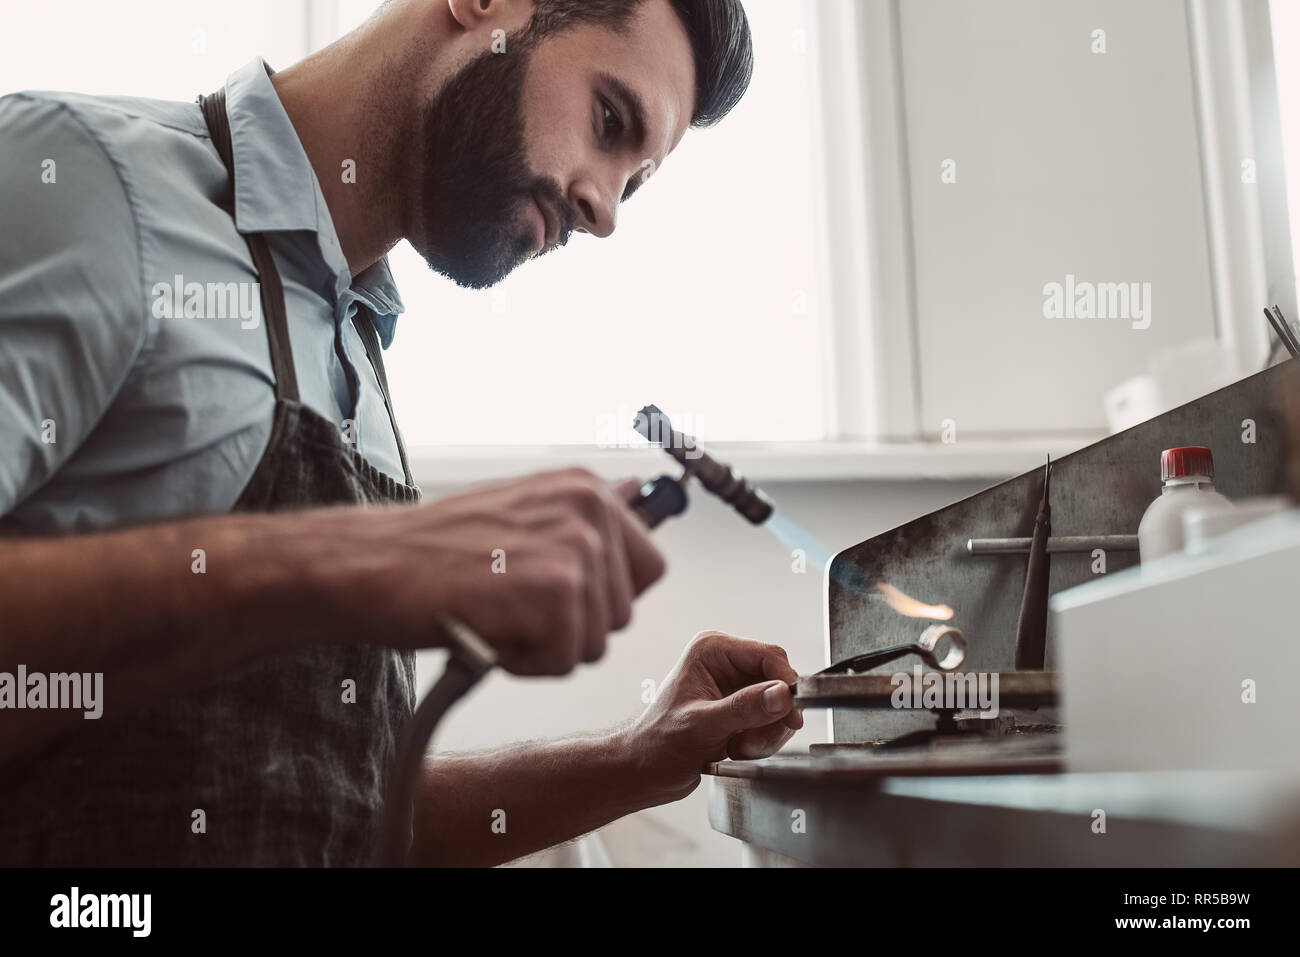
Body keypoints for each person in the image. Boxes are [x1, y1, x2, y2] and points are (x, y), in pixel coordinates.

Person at [0, 0, 802, 866]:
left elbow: (333, 806)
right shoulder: (76, 175)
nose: (604, 209)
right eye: (609, 120)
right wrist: (348, 561)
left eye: (635, 183)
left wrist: (639, 758)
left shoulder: (361, 363)